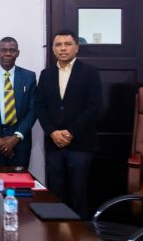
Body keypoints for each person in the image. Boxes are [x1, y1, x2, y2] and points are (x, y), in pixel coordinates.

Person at [35, 29, 102, 219]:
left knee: (78, 192)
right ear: (53, 49)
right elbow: (40, 106)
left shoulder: (89, 73)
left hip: (80, 144)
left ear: (76, 48)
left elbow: (94, 107)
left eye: (67, 44)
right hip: (54, 144)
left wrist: (71, 132)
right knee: (56, 192)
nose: (62, 48)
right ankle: (56, 230)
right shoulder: (46, 74)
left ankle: (80, 230)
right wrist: (52, 132)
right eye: (58, 45)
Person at [0, 37, 37, 168]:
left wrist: (16, 137)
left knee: (20, 179)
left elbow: (33, 110)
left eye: (12, 50)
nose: (7, 53)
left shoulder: (29, 77)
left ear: (18, 53)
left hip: (21, 141)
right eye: (3, 50)